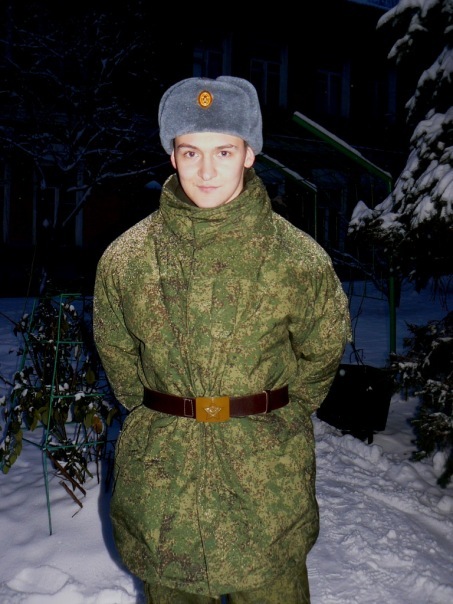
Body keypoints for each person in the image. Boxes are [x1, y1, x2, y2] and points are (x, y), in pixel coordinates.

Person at [93, 75, 351, 604]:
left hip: (267, 493)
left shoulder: (297, 260)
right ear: (173, 156)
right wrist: (160, 418)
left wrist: (279, 417)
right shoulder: (126, 260)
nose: (206, 171)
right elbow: (117, 353)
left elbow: (323, 348)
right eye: (191, 152)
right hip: (164, 494)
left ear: (250, 154)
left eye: (224, 151)